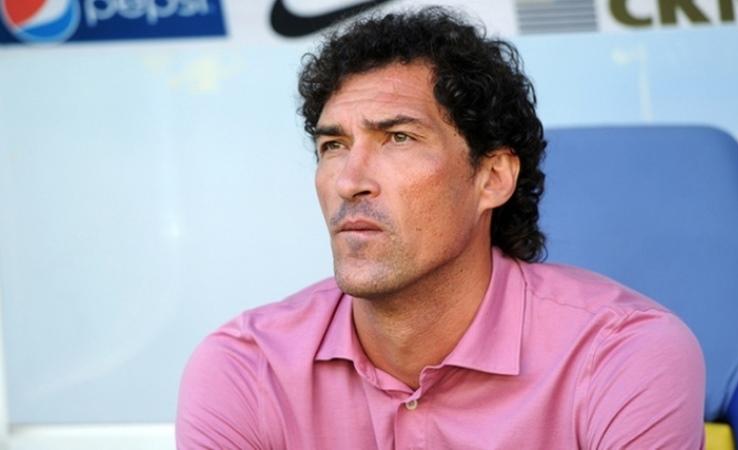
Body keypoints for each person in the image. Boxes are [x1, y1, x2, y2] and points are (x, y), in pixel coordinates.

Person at [176, 7, 705, 449]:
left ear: (492, 178)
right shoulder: (244, 367)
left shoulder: (623, 354)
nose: (350, 181)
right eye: (333, 146)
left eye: (398, 138)